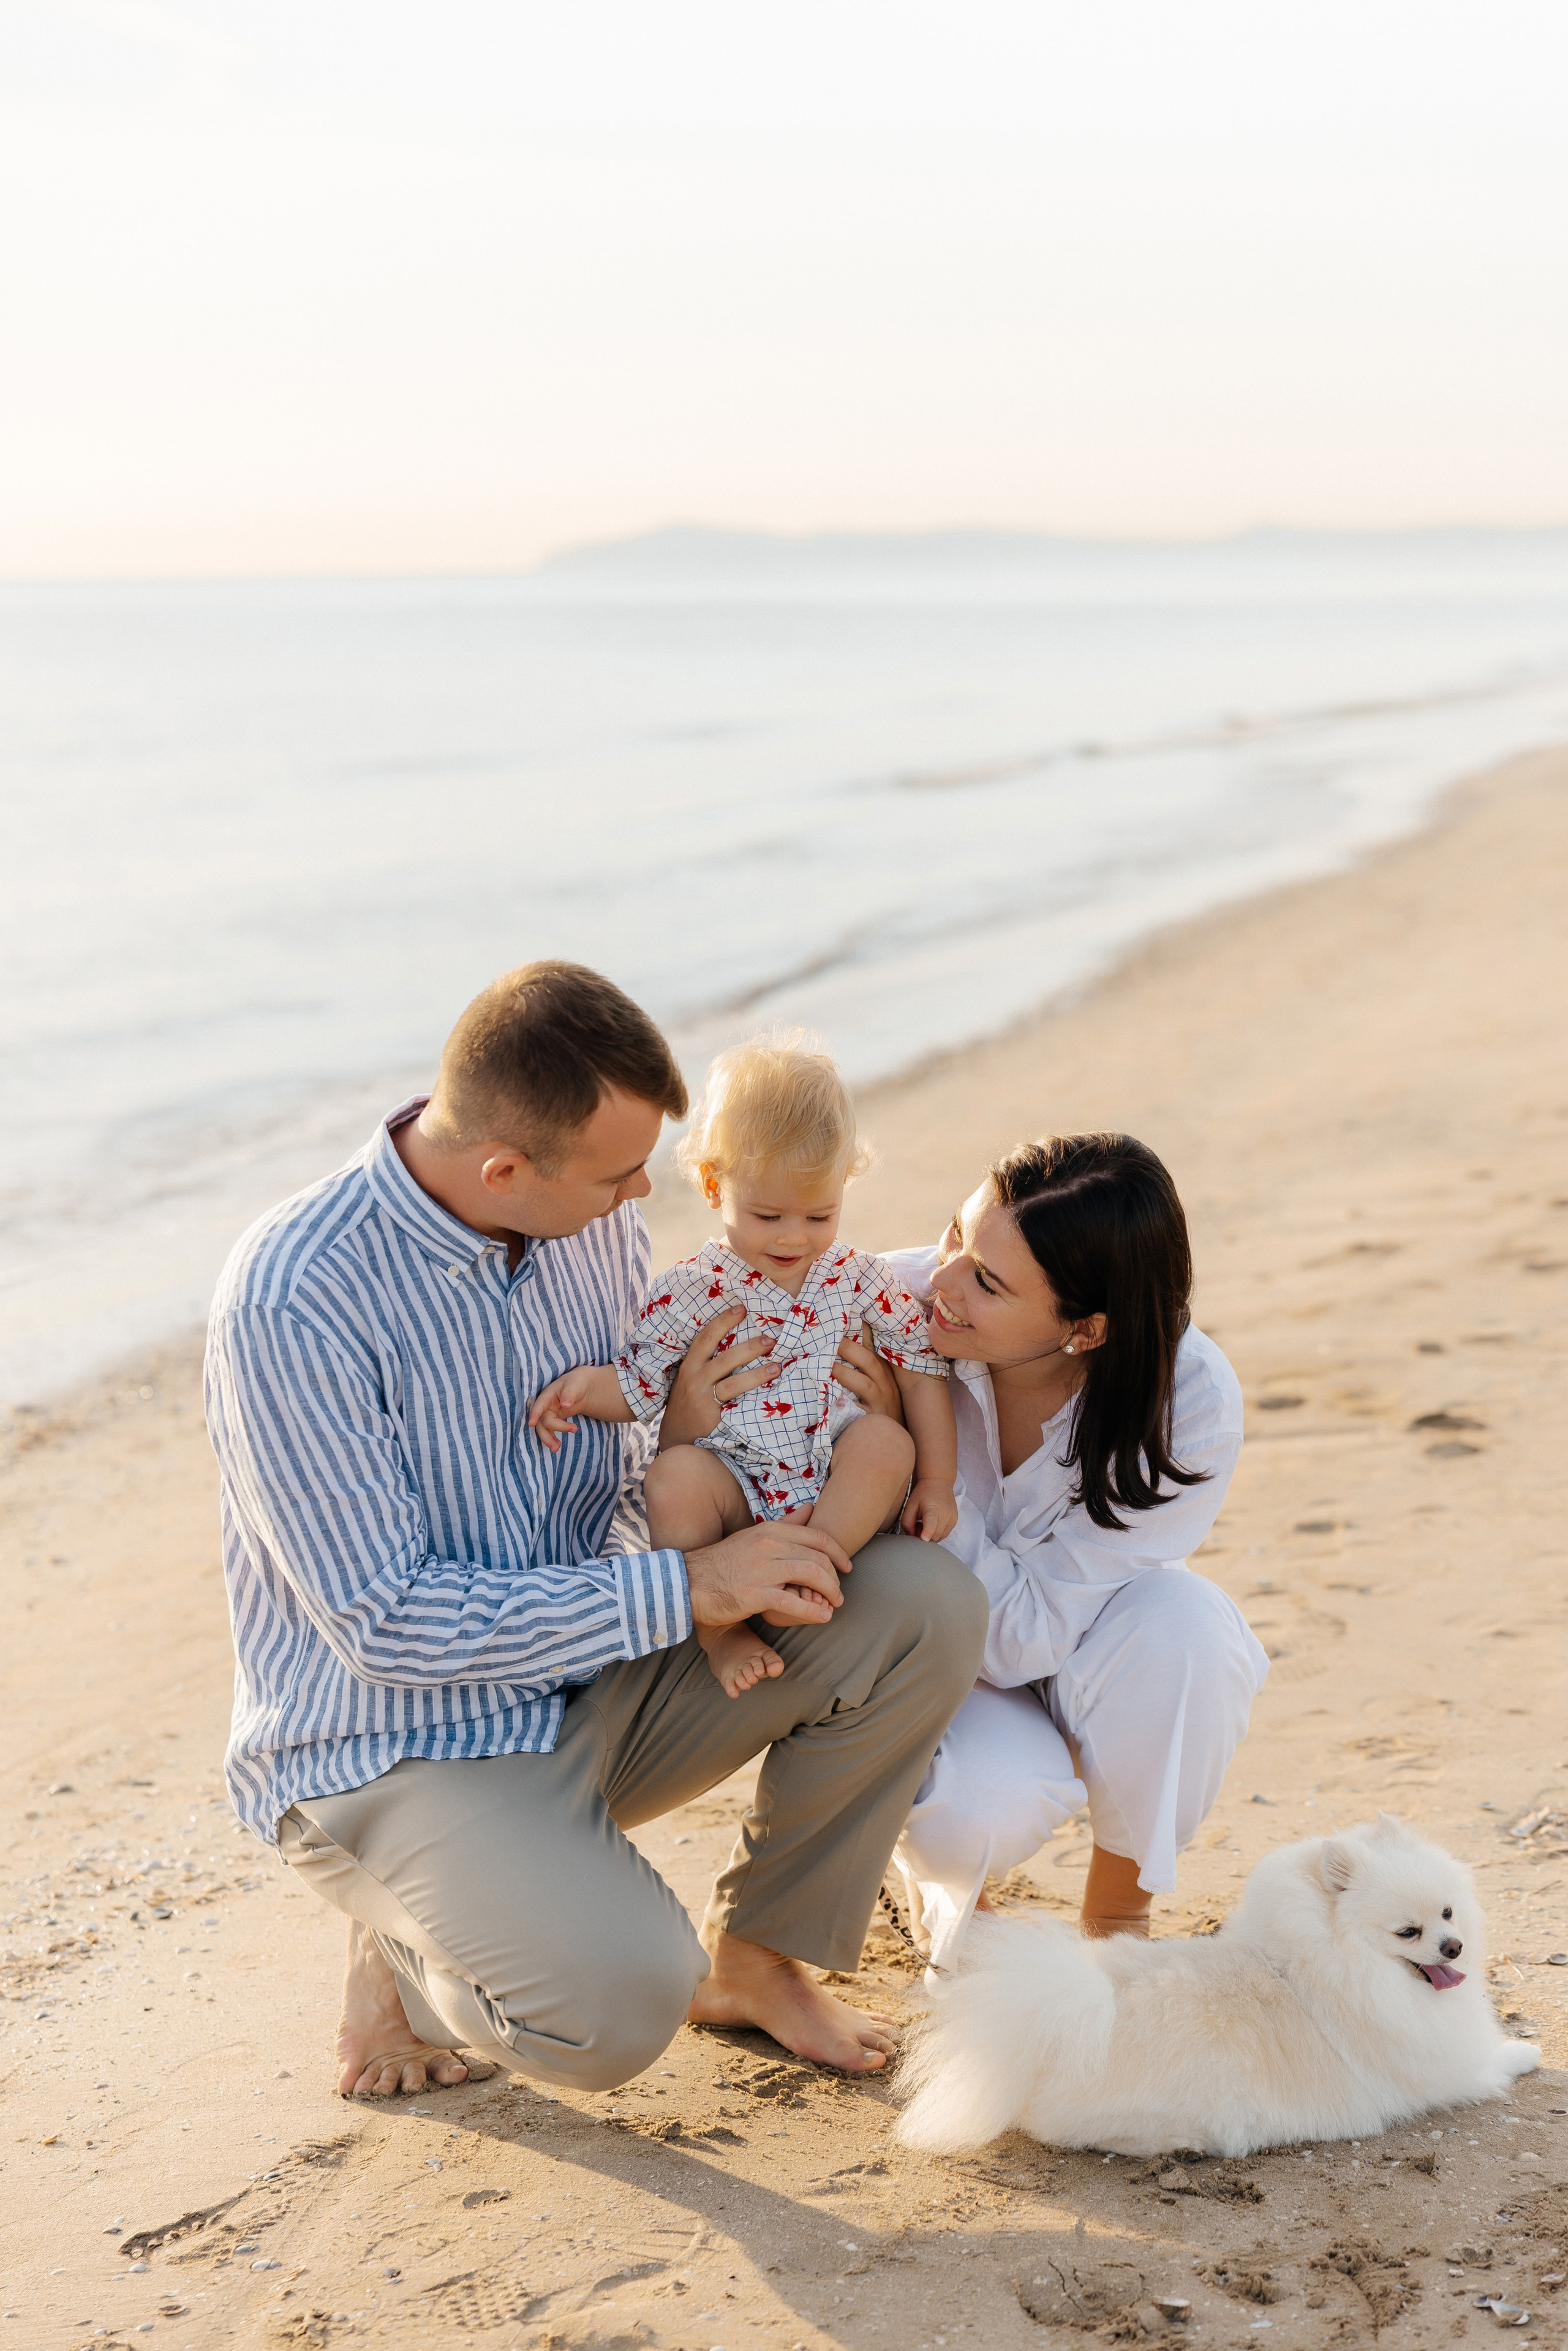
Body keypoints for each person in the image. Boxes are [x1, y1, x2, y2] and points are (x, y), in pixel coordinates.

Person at [205, 960, 986, 2096]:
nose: (642, 1198)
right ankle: (406, 1935)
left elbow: (626, 1475)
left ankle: (760, 1959)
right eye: (621, 1174)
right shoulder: (293, 1299)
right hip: (393, 1740)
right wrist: (694, 1589)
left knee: (922, 1601)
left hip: (583, 1678)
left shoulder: (586, 1226)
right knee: (615, 2012)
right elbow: (387, 1620)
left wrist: (697, 1436)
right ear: (506, 1168)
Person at [664, 1133, 1268, 1966]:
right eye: (956, 1235)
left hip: (1076, 1632)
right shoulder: (868, 1305)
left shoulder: (1188, 1403)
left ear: (1086, 1330)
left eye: (986, 1282)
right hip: (935, 1657)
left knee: (1190, 1630)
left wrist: (920, 1467)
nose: (939, 1284)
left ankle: (1119, 1925)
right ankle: (946, 1897)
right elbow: (729, 1467)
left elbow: (1030, 1639)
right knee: (977, 1814)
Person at [527, 1033, 958, 1698]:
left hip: (831, 1482)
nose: (793, 1236)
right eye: (767, 1214)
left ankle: (808, 1567)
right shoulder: (688, 1289)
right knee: (672, 1476)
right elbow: (642, 1384)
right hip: (734, 1484)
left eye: (819, 1214)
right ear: (711, 1183)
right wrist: (583, 1391)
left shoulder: (858, 1277)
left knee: (885, 1441)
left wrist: (937, 1479)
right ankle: (719, 1630)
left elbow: (919, 1363)